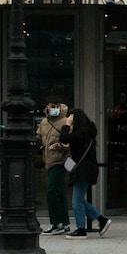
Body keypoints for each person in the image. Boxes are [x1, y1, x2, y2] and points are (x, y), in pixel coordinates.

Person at [63, 106, 109, 237]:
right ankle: (101, 220)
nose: (68, 119)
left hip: (83, 170)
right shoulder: (86, 133)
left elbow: (63, 137)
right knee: (80, 200)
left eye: (70, 117)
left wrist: (66, 125)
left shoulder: (80, 133)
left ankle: (81, 229)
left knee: (76, 200)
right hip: (86, 169)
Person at [39, 100, 72, 236]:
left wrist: (61, 146)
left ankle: (58, 222)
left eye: (56, 107)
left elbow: (71, 141)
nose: (54, 109)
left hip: (61, 161)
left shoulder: (66, 121)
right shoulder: (44, 122)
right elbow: (40, 139)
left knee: (52, 191)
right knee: (58, 191)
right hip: (48, 160)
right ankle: (62, 223)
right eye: (52, 106)